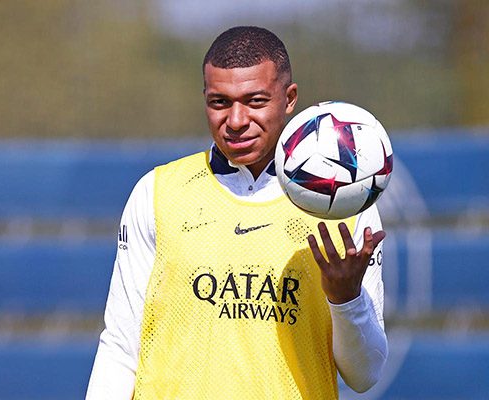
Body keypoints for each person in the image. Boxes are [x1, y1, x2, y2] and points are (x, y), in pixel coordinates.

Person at [86, 26, 388, 400]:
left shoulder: (344, 208)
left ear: (289, 98)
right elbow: (120, 345)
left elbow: (366, 374)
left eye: (255, 100)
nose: (236, 120)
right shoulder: (157, 192)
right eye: (220, 102)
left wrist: (346, 299)